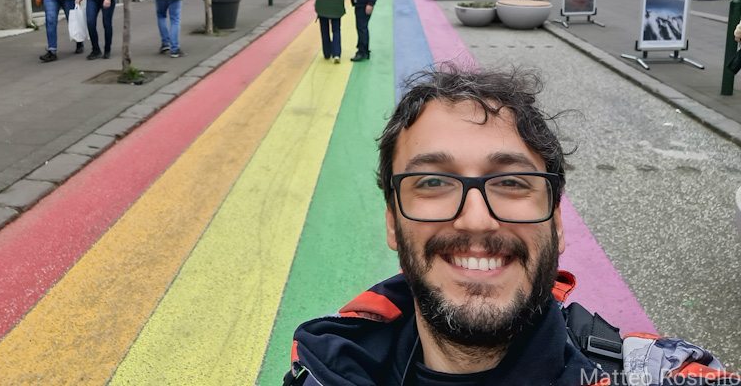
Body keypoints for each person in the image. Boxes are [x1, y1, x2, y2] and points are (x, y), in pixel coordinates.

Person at [284, 67, 740, 386]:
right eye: (434, 182)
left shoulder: (658, 373)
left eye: (512, 182)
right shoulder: (321, 368)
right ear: (392, 221)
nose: (476, 219)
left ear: (557, 222)